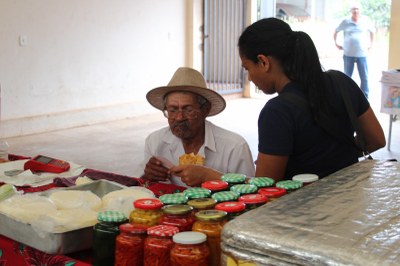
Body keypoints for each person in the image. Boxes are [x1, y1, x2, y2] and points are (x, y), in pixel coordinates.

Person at [235, 17, 385, 182]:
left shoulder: (277, 111)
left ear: (263, 62)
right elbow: (376, 139)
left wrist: (212, 176)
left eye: (247, 68)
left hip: (305, 207)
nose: (249, 78)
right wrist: (339, 157)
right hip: (351, 198)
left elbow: (264, 187)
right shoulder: (342, 82)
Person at [136, 67, 255, 187]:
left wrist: (209, 177)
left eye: (188, 109)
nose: (179, 118)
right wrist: (148, 175)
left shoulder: (234, 147)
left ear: (206, 109)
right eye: (172, 110)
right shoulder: (154, 142)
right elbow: (140, 186)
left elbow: (252, 192)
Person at [334, 2, 375, 98]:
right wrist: (336, 43)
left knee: (364, 77)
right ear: (350, 11)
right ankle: (346, 95)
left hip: (362, 54)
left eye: (357, 9)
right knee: (347, 77)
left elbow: (372, 32)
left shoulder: (366, 20)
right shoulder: (345, 21)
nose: (355, 11)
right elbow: (336, 31)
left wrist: (371, 44)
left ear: (360, 10)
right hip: (348, 54)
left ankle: (365, 96)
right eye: (353, 9)